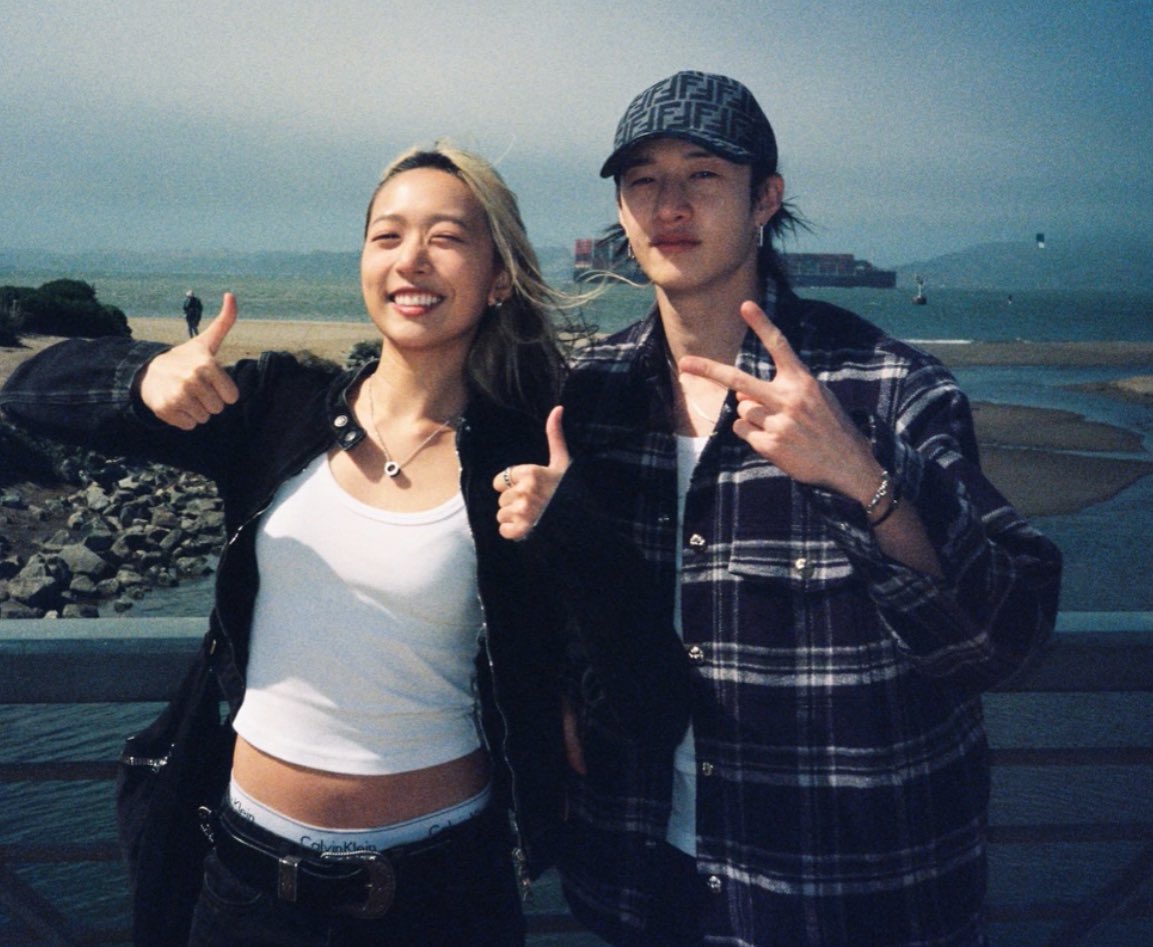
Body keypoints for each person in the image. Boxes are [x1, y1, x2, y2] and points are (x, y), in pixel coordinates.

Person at [0, 143, 689, 946]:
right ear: (363, 262)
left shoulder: (531, 451)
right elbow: (29, 392)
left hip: (442, 892)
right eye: (387, 235)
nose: (411, 259)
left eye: (446, 237)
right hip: (246, 886)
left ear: (498, 277)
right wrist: (140, 381)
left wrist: (577, 537)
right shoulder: (277, 405)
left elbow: (646, 702)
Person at [540, 71, 1062, 945]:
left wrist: (862, 475)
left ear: (764, 199)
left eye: (702, 175)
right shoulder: (590, 397)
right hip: (644, 889)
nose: (669, 204)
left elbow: (1005, 637)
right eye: (642, 181)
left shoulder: (885, 385)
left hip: (849, 899)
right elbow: (572, 605)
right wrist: (554, 682)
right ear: (621, 212)